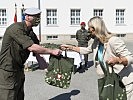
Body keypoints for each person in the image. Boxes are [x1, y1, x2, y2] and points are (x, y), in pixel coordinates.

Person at [61, 16, 133, 100]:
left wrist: (118, 60)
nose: (88, 31)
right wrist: (70, 47)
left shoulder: (113, 40)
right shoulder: (97, 41)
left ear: (95, 28)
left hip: (122, 82)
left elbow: (130, 58)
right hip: (109, 80)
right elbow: (86, 50)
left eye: (89, 28)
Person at [0, 7, 61, 100]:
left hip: (19, 70)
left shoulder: (31, 33)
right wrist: (52, 51)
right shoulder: (16, 28)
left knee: (19, 97)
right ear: (27, 17)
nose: (38, 19)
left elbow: (37, 51)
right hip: (7, 72)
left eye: (39, 16)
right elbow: (32, 47)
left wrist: (47, 68)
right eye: (36, 17)